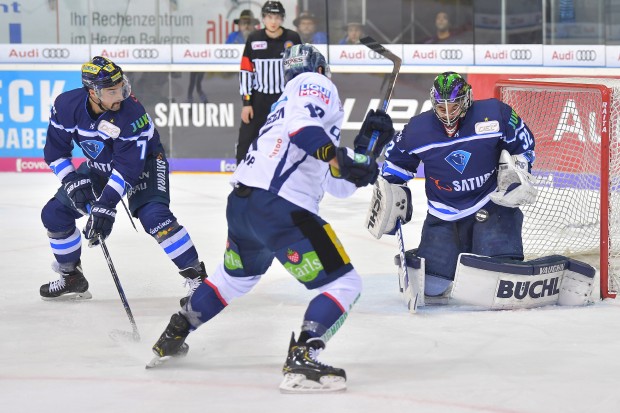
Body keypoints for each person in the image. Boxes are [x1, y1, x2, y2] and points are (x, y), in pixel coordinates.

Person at [148, 44, 395, 393]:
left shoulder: (285, 104)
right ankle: (303, 357)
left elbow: (336, 184)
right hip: (282, 209)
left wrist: (368, 149)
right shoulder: (314, 84)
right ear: (320, 70)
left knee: (233, 281)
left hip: (243, 207)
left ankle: (176, 332)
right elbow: (305, 130)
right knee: (344, 284)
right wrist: (341, 157)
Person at [40, 56, 207, 306]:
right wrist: (72, 180)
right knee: (54, 214)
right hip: (100, 167)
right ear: (92, 92)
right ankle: (71, 277)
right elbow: (55, 152)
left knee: (155, 216)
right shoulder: (66, 106)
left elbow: (128, 169)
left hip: (145, 162)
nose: (121, 95)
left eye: (121, 87)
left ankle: (199, 281)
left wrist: (105, 205)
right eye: (112, 91)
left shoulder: (131, 113)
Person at [367, 72, 537, 301]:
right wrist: (393, 192)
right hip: (443, 213)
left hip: (490, 203)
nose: (447, 113)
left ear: (466, 100)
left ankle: (493, 254)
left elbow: (523, 143)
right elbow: (395, 165)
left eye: (454, 106)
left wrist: (519, 172)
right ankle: (438, 261)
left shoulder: (495, 115)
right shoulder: (417, 130)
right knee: (432, 287)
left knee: (499, 277)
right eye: (441, 107)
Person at [235, 1, 301, 164]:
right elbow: (246, 71)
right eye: (269, 17)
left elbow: (300, 70)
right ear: (263, 18)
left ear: (282, 19)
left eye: (277, 17)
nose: (273, 21)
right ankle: (240, 180)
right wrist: (246, 102)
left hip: (283, 99)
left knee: (288, 137)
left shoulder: (292, 38)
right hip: (258, 99)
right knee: (246, 139)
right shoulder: (254, 38)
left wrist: (297, 99)